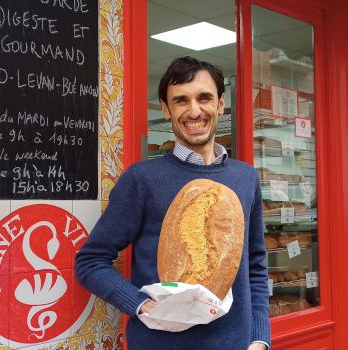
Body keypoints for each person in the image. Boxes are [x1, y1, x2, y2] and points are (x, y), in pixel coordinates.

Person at [75, 56, 270, 350]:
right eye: (181, 101)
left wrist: (259, 338)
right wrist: (140, 305)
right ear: (166, 110)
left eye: (204, 98)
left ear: (220, 104)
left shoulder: (245, 177)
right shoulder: (142, 179)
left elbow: (254, 265)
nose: (194, 111)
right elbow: (90, 261)